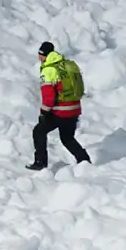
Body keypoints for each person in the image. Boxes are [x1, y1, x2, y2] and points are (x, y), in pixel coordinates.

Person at [28, 42, 91, 171]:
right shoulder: (65, 65)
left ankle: (40, 162)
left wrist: (44, 113)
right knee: (67, 138)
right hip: (74, 109)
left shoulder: (49, 70)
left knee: (39, 131)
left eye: (40, 55)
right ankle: (84, 160)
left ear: (44, 55)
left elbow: (49, 97)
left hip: (61, 111)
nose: (39, 57)